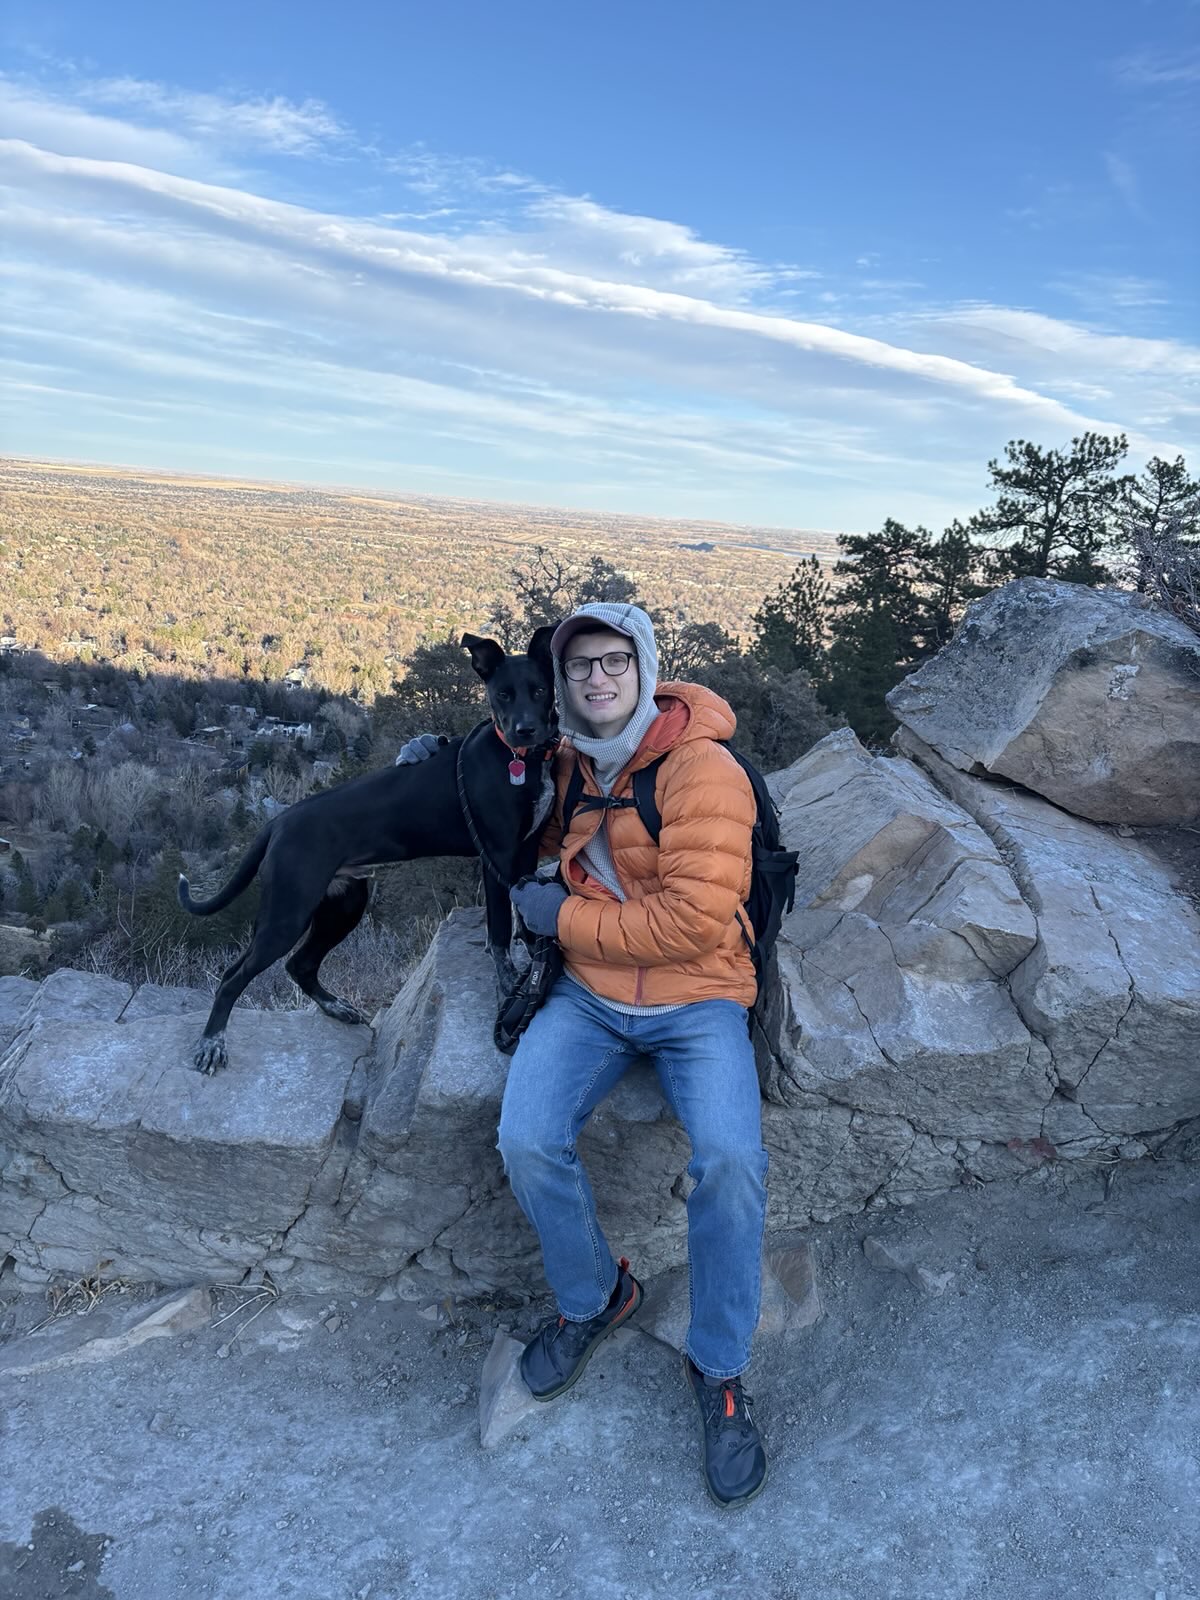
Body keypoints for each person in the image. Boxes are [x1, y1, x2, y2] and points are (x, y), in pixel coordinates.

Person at [403, 602, 768, 1508]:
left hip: (697, 997)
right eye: (581, 669)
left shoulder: (703, 771)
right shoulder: (566, 761)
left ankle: (719, 1370)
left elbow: (693, 921)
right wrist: (424, 758)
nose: (596, 680)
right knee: (526, 1137)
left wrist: (556, 918)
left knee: (729, 1161)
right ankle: (596, 1295)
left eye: (612, 663)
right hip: (593, 997)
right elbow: (496, 782)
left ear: (644, 668)